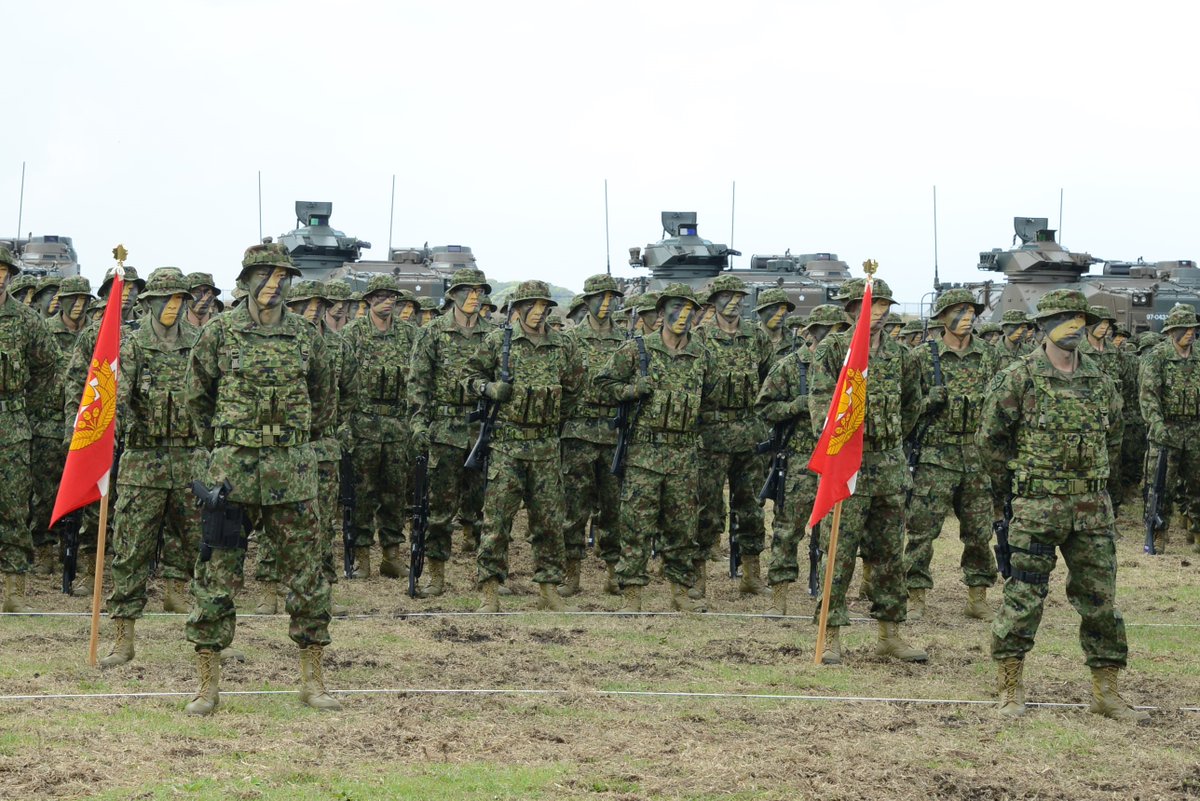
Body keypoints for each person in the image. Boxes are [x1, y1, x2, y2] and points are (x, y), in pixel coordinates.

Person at [184, 242, 339, 715]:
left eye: (281, 278)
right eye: (265, 277)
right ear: (248, 280)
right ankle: (208, 684)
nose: (273, 285)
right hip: (232, 474)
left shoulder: (306, 337)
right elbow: (197, 398)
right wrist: (227, 443)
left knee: (307, 575)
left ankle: (312, 679)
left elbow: (325, 397)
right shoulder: (219, 333)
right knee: (215, 576)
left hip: (291, 472)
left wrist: (292, 441)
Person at [981, 289, 1145, 722]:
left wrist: (1097, 486)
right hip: (1036, 507)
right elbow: (991, 442)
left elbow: (1115, 436)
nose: (1075, 326)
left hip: (1091, 509)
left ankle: (1106, 692)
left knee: (1101, 602)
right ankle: (1010, 688)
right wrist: (1013, 491)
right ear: (1044, 326)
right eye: (1065, 319)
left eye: (1080, 319)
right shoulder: (1018, 378)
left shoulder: (1100, 379)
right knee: (1023, 597)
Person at [808, 277, 926, 665]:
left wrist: (887, 439)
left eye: (882, 306)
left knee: (890, 553)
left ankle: (890, 632)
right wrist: (842, 450)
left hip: (888, 466)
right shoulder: (832, 351)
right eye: (869, 306)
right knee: (838, 551)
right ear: (850, 310)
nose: (876, 314)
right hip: (849, 466)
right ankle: (832, 633)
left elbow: (912, 405)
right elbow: (822, 408)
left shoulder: (901, 355)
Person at [99, 269, 204, 665]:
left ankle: (212, 636)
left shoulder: (198, 342)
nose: (173, 307)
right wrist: (109, 430)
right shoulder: (131, 345)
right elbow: (116, 397)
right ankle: (123, 639)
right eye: (166, 300)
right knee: (131, 550)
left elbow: (213, 395)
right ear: (150, 304)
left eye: (179, 300)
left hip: (191, 460)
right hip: (144, 462)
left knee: (204, 552)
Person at [595, 283, 718, 613]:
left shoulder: (702, 354)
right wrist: (635, 388)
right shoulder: (638, 350)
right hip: (644, 454)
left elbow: (711, 397)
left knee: (682, 527)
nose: (683, 316)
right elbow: (603, 384)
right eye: (676, 309)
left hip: (683, 454)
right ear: (662, 313)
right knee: (637, 525)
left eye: (689, 310)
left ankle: (680, 592)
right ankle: (632, 595)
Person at [469, 280, 583, 611]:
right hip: (507, 445)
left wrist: (552, 417)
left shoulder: (563, 345)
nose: (537, 313)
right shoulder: (496, 342)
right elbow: (467, 378)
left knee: (549, 521)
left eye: (542, 307)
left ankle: (549, 588)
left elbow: (576, 387)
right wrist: (489, 388)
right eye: (529, 306)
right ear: (516, 310)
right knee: (497, 521)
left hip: (546, 446)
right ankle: (489, 590)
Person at [903, 289, 1000, 621]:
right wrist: (928, 400)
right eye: (959, 311)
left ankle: (978, 595)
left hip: (976, 455)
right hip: (934, 456)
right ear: (943, 317)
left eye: (972, 311)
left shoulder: (990, 356)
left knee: (978, 531)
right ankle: (915, 595)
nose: (968, 317)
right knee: (922, 530)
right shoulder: (921, 357)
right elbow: (905, 409)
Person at [755, 304, 847, 615]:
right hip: (799, 462)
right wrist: (798, 405)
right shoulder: (790, 367)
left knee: (835, 534)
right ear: (812, 335)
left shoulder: (849, 369)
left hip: (836, 462)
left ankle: (828, 598)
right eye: (828, 333)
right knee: (787, 530)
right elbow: (765, 407)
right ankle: (779, 598)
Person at [408, 269, 495, 596]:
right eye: (468, 291)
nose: (475, 297)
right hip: (444, 429)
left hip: (481, 429)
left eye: (479, 291)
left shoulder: (495, 335)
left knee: (485, 508)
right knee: (439, 510)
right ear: (453, 295)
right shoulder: (432, 333)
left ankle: (485, 577)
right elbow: (418, 385)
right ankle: (436, 574)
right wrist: (419, 423)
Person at [693, 275, 773, 599]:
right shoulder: (698, 339)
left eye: (738, 296)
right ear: (713, 301)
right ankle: (697, 578)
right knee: (706, 508)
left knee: (752, 508)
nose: (734, 301)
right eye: (726, 296)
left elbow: (770, 379)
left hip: (749, 436)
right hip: (710, 437)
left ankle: (752, 575)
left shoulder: (756, 336)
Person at [341, 276, 419, 584]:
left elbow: (419, 382)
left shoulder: (409, 335)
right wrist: (344, 424)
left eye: (392, 297)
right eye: (381, 297)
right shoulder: (353, 334)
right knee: (361, 494)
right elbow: (342, 383)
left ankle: (391, 556)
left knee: (395, 495)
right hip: (363, 425)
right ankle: (361, 558)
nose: (387, 302)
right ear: (369, 300)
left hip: (398, 428)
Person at [560, 274, 625, 596]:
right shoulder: (569, 340)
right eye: (601, 297)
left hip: (614, 435)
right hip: (578, 434)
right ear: (586, 301)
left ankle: (614, 572)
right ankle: (571, 574)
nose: (607, 303)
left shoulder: (627, 340)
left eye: (612, 297)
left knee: (614, 509)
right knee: (575, 508)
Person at [0, 247, 58, 612]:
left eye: (3, 271)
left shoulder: (25, 320)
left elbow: (47, 366)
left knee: (13, 506)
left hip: (11, 427)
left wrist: (22, 408)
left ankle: (14, 590)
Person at [29, 277, 93, 575]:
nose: (78, 305)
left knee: (83, 494)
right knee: (46, 493)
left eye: (84, 299)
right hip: (48, 424)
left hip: (87, 424)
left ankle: (76, 550)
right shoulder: (45, 331)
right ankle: (44, 547)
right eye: (73, 299)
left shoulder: (96, 335)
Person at [1138, 303, 1200, 554]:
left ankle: (1197, 532)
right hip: (1167, 430)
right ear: (1171, 332)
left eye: (1193, 329)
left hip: (1196, 430)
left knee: (1197, 484)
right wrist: (1157, 424)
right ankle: (1158, 533)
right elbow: (1149, 395)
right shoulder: (1158, 356)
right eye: (1184, 329)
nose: (1190, 333)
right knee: (1161, 485)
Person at [756, 288, 798, 371]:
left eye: (784, 309)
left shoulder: (797, 343)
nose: (780, 314)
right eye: (773, 308)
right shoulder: (746, 339)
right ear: (760, 311)